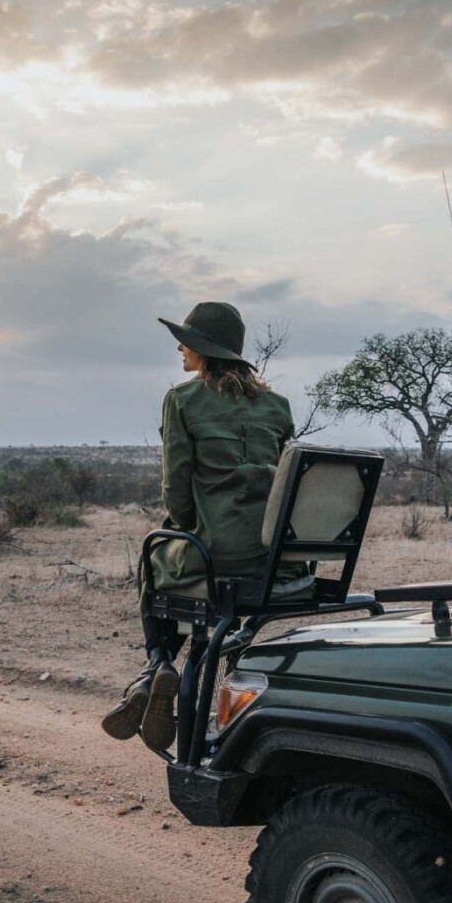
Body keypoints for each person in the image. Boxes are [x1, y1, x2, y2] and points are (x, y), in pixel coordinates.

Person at [101, 301, 295, 750]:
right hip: (277, 558)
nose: (180, 349)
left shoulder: (183, 399)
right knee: (186, 570)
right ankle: (158, 673)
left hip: (216, 553)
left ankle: (157, 663)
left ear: (205, 350)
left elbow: (178, 494)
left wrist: (189, 525)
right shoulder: (278, 406)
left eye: (185, 341)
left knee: (155, 557)